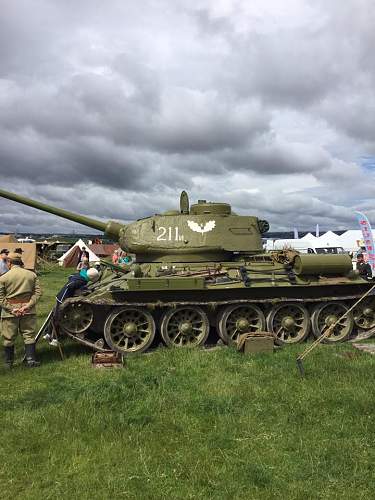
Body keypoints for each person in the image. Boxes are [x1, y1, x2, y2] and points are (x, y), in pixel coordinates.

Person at [0, 252, 42, 369]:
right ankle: (31, 360)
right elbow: (38, 292)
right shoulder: (31, 275)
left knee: (9, 338)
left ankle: (9, 363)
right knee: (29, 335)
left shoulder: (3, 277)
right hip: (28, 311)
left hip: (9, 313)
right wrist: (27, 306)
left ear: (9, 262)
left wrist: (12, 308)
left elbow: (0, 297)